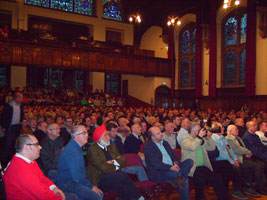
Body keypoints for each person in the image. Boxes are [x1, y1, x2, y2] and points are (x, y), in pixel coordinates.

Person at [3, 134, 77, 200]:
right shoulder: (21, 169)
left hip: (39, 194)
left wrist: (53, 187)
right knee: (72, 197)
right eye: (36, 144)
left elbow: (42, 178)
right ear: (26, 147)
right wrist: (60, 198)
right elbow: (42, 195)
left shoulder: (29, 160)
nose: (40, 147)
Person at [87, 124, 145, 200]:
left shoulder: (111, 147)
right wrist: (117, 165)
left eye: (108, 135)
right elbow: (103, 167)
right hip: (99, 178)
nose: (108, 137)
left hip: (113, 174)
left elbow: (123, 160)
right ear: (98, 139)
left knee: (121, 182)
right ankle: (139, 197)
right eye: (105, 136)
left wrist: (113, 161)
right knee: (121, 176)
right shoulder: (93, 149)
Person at [181, 122, 230, 200]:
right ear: (192, 131)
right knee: (199, 180)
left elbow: (211, 148)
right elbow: (192, 147)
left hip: (202, 167)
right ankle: (199, 197)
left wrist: (209, 138)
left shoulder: (200, 139)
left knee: (217, 180)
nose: (200, 131)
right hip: (192, 168)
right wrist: (200, 137)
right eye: (198, 130)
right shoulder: (185, 139)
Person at [144, 126, 193, 200]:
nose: (161, 134)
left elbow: (173, 156)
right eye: (158, 133)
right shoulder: (148, 147)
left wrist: (175, 163)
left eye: (160, 132)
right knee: (183, 178)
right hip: (160, 171)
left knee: (189, 161)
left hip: (173, 166)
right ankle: (180, 176)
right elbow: (155, 163)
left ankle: (178, 176)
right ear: (153, 137)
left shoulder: (165, 143)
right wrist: (170, 167)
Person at [57, 125, 103, 200]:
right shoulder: (73, 151)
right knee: (97, 195)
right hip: (67, 184)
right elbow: (77, 177)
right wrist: (91, 187)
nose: (87, 135)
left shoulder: (76, 147)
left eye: (87, 132)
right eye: (84, 133)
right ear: (76, 136)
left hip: (72, 181)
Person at [226, 125, 266, 196]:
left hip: (244, 156)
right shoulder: (229, 138)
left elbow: (243, 147)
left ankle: (257, 185)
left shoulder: (238, 138)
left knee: (260, 164)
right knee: (258, 165)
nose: (238, 130)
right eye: (235, 129)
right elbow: (236, 149)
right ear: (230, 131)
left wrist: (247, 152)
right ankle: (256, 186)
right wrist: (248, 152)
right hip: (238, 158)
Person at [211, 123, 248, 199]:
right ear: (216, 129)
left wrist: (235, 159)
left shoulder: (222, 138)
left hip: (226, 161)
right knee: (233, 171)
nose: (223, 129)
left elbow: (230, 149)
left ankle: (237, 190)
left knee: (239, 167)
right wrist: (232, 161)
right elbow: (221, 154)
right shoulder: (213, 139)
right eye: (221, 127)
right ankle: (234, 191)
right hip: (218, 162)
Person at [0, 92, 24, 165]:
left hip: (17, 126)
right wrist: (3, 127)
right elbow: (3, 116)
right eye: (21, 98)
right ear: (17, 98)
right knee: (8, 142)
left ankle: (12, 158)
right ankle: (4, 160)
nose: (22, 99)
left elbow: (21, 115)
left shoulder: (20, 105)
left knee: (15, 142)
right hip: (10, 126)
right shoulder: (9, 105)